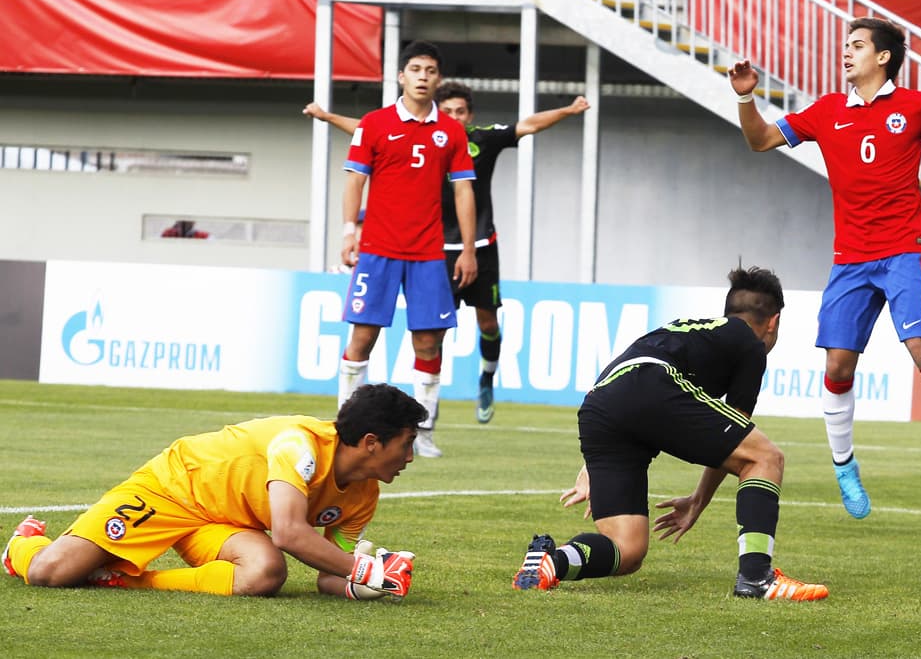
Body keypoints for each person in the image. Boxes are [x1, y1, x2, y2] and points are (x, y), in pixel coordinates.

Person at [728, 17, 921, 518]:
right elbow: (760, 140)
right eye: (845, 45)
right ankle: (846, 469)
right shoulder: (828, 111)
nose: (845, 53)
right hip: (849, 258)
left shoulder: (918, 105)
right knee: (837, 366)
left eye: (856, 46)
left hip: (903, 248)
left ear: (883, 57)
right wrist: (746, 98)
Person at [512, 266, 829, 601]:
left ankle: (551, 562)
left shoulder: (692, 330)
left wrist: (593, 465)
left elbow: (625, 390)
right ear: (773, 321)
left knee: (628, 548)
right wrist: (697, 501)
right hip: (649, 383)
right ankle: (757, 578)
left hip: (599, 404)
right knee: (766, 457)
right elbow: (737, 445)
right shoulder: (749, 341)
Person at [306, 86, 591, 425]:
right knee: (431, 334)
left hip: (480, 248)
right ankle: (427, 410)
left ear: (469, 115)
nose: (455, 116)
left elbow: (528, 125)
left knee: (488, 321)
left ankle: (487, 377)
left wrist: (568, 111)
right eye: (449, 110)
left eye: (461, 111)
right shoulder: (418, 133)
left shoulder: (480, 138)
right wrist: (327, 117)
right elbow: (366, 128)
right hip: (434, 250)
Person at [2, 383, 425, 599]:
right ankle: (23, 545)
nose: (409, 456)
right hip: (171, 489)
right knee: (49, 574)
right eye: (406, 443)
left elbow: (330, 574)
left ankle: (127, 582)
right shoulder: (299, 446)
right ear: (371, 442)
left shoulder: (364, 493)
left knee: (266, 574)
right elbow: (290, 534)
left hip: (224, 521)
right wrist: (364, 570)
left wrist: (369, 584)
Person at [335, 40, 478, 459]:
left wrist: (468, 250)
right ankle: (346, 428)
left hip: (428, 255)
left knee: (428, 344)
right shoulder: (375, 123)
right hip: (377, 251)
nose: (422, 76)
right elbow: (354, 181)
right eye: (415, 69)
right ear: (401, 76)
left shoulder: (451, 131)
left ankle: (424, 432)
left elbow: (464, 192)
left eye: (430, 70)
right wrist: (349, 232)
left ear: (438, 79)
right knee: (362, 338)